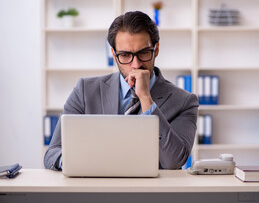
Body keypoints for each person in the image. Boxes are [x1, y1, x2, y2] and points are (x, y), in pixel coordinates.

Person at [44, 11, 199, 170]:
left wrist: (146, 98)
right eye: (125, 55)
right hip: (97, 190)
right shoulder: (84, 91)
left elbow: (173, 161)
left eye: (144, 53)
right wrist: (75, 161)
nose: (136, 64)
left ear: (156, 49)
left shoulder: (184, 101)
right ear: (113, 54)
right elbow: (52, 154)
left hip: (152, 192)